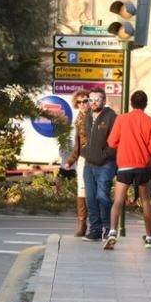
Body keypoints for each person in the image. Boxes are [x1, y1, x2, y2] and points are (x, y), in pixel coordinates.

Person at [104, 90, 151, 250]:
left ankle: (112, 232)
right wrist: (146, 156)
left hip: (124, 165)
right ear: (146, 104)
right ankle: (149, 237)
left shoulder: (122, 119)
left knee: (118, 200)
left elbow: (112, 142)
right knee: (145, 201)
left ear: (131, 103)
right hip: (142, 166)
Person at [81, 88, 118, 241]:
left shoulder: (111, 116)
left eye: (97, 99)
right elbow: (85, 138)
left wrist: (105, 155)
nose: (93, 102)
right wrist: (84, 152)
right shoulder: (88, 117)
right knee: (90, 198)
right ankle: (94, 230)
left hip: (105, 164)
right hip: (89, 163)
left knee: (102, 196)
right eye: (91, 100)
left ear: (104, 100)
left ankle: (107, 229)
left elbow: (115, 140)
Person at [63, 90, 90, 237]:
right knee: (81, 189)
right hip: (83, 158)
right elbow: (77, 144)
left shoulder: (95, 117)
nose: (83, 104)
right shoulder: (78, 119)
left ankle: (95, 224)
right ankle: (81, 223)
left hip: (96, 158)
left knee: (95, 192)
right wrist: (70, 160)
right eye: (79, 102)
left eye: (85, 101)